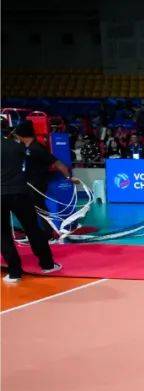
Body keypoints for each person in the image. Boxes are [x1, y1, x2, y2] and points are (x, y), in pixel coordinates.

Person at [1, 129, 60, 282]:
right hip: (20, 192)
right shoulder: (17, 147)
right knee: (32, 228)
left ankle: (14, 273)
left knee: (3, 234)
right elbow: (27, 167)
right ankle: (47, 264)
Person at [13, 121, 74, 235]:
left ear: (22, 134)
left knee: (39, 208)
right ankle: (36, 231)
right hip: (26, 184)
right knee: (30, 208)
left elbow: (59, 164)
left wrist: (69, 177)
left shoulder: (37, 148)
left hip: (36, 185)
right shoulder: (25, 148)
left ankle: (48, 232)